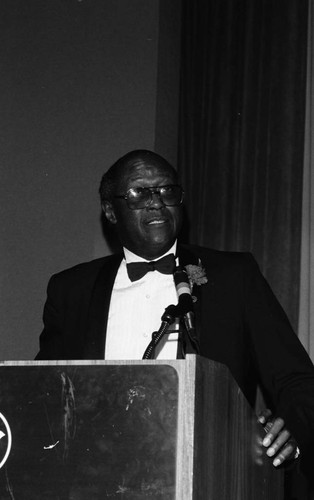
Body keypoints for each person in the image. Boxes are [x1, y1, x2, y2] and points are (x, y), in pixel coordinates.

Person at [36, 149, 314, 478]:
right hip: (96, 479)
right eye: (140, 192)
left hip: (212, 475)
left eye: (167, 190)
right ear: (110, 211)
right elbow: (43, 393)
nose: (157, 201)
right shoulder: (72, 290)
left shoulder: (233, 276)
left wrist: (293, 430)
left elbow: (295, 379)